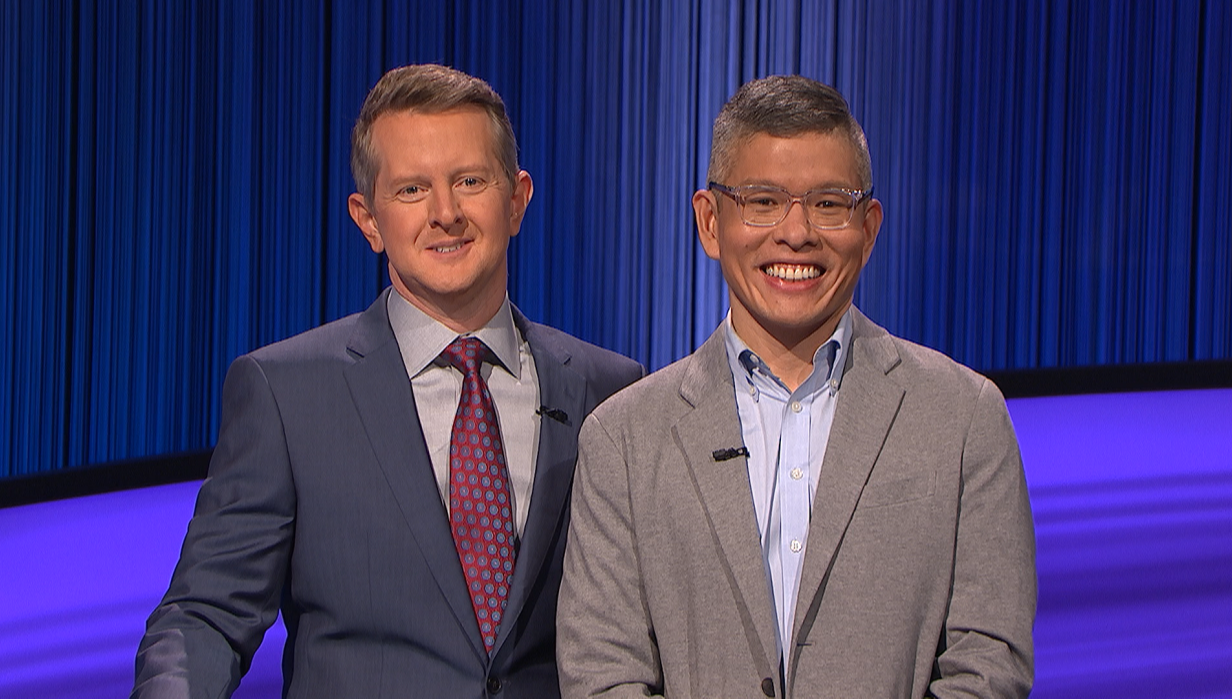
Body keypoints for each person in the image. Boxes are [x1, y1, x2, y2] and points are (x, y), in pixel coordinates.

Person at [134, 64, 644, 698]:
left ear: (516, 200)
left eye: (469, 181)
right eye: (411, 190)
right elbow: (205, 615)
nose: (445, 213)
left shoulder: (611, 389)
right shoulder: (286, 393)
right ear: (368, 219)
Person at [557, 75, 1036, 698]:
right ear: (709, 222)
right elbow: (603, 674)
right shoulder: (622, 439)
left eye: (829, 203)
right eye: (763, 201)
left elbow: (988, 665)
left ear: (869, 227)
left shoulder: (964, 418)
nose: (797, 232)